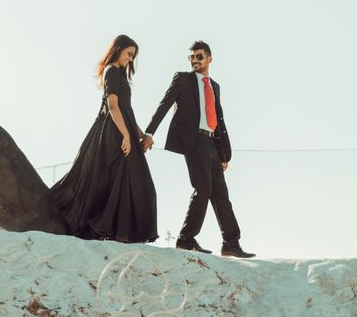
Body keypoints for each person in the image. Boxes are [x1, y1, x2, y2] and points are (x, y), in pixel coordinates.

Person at [143, 41, 254, 258]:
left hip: (212, 143)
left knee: (221, 193)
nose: (195, 60)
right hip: (193, 141)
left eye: (199, 56)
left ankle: (231, 242)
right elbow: (164, 104)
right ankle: (185, 239)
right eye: (192, 57)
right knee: (203, 189)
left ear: (210, 58)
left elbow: (219, 122)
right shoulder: (183, 79)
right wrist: (149, 132)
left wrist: (223, 154)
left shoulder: (214, 86)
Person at [49, 35, 159, 244]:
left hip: (123, 129)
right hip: (114, 132)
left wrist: (140, 134)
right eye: (128, 53)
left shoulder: (121, 75)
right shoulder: (112, 71)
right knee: (127, 181)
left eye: (133, 56)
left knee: (131, 182)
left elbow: (126, 110)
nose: (130, 58)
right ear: (117, 50)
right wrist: (126, 135)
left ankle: (116, 232)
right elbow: (113, 106)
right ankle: (109, 230)